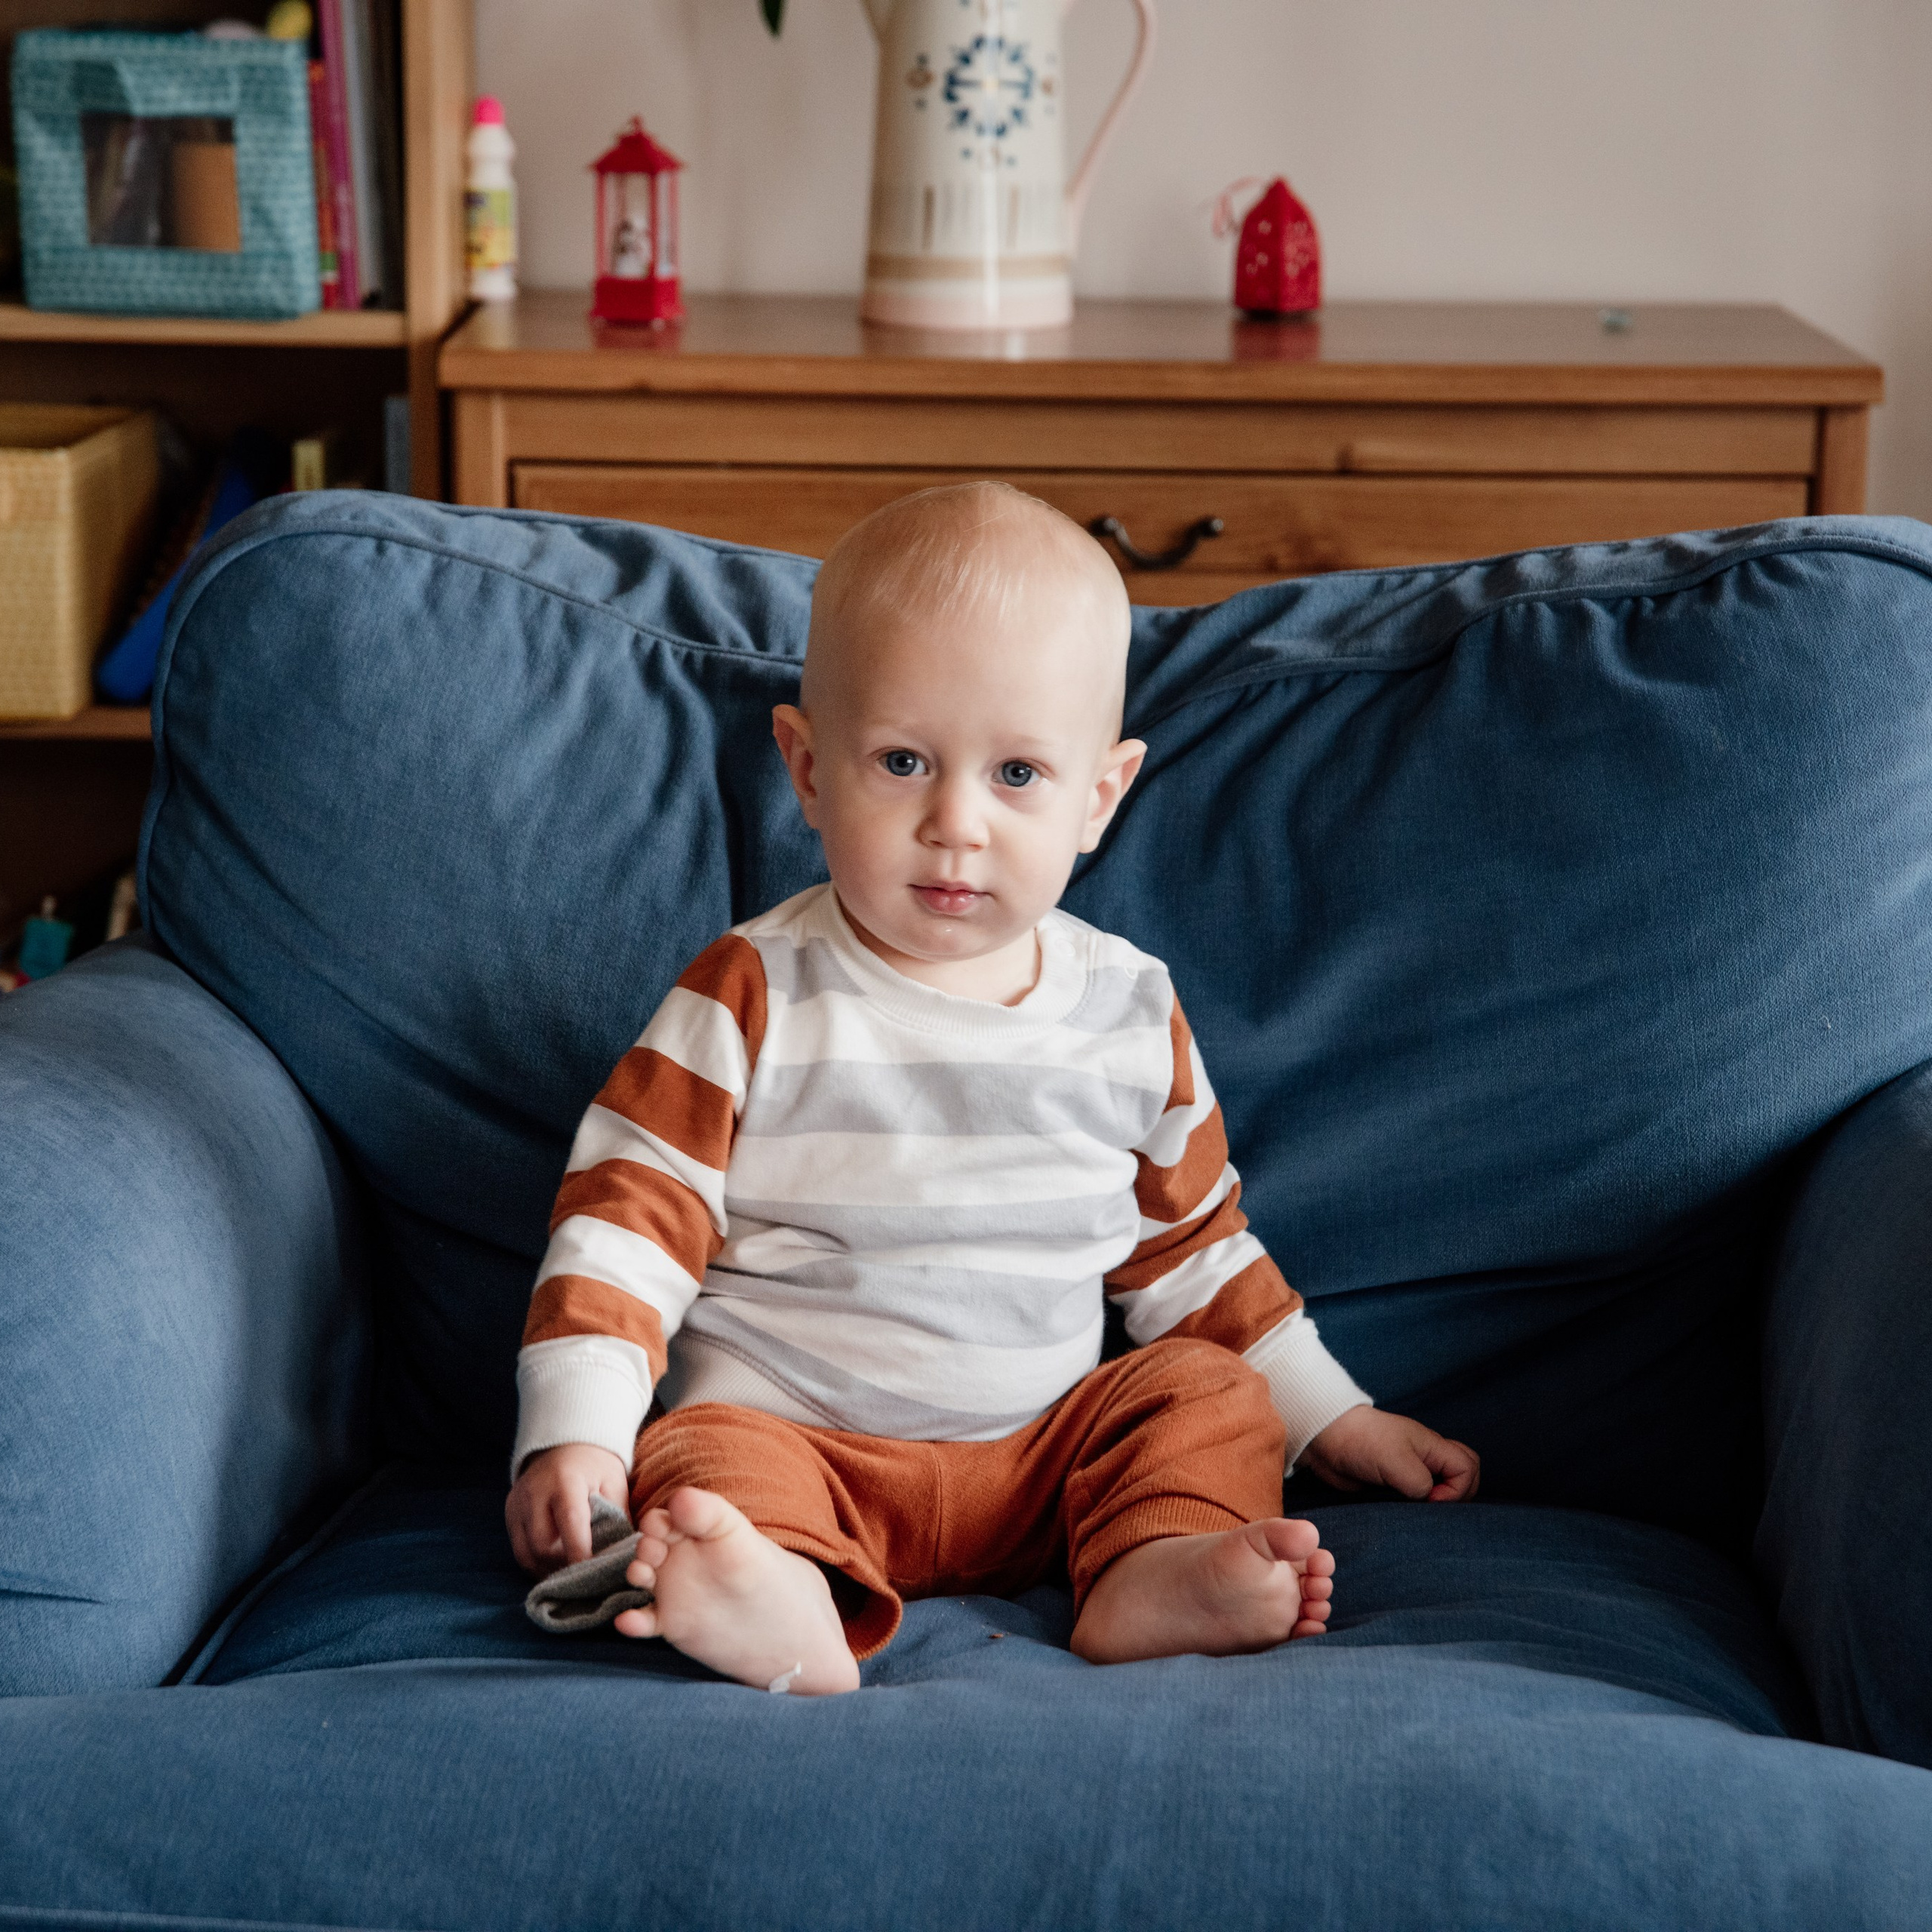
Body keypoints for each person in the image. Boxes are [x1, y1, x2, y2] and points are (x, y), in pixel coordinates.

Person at [505, 481, 1479, 1695]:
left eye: (1018, 773)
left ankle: (1150, 1568)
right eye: (903, 761)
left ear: (1100, 798)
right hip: (803, 1442)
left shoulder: (1129, 1009)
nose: (955, 824)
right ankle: (781, 1597)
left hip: (1045, 1462)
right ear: (808, 771)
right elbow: (626, 1222)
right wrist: (579, 1431)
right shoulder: (754, 992)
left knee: (1207, 1392)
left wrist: (1337, 1420)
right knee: (700, 1463)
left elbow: (1194, 1256)